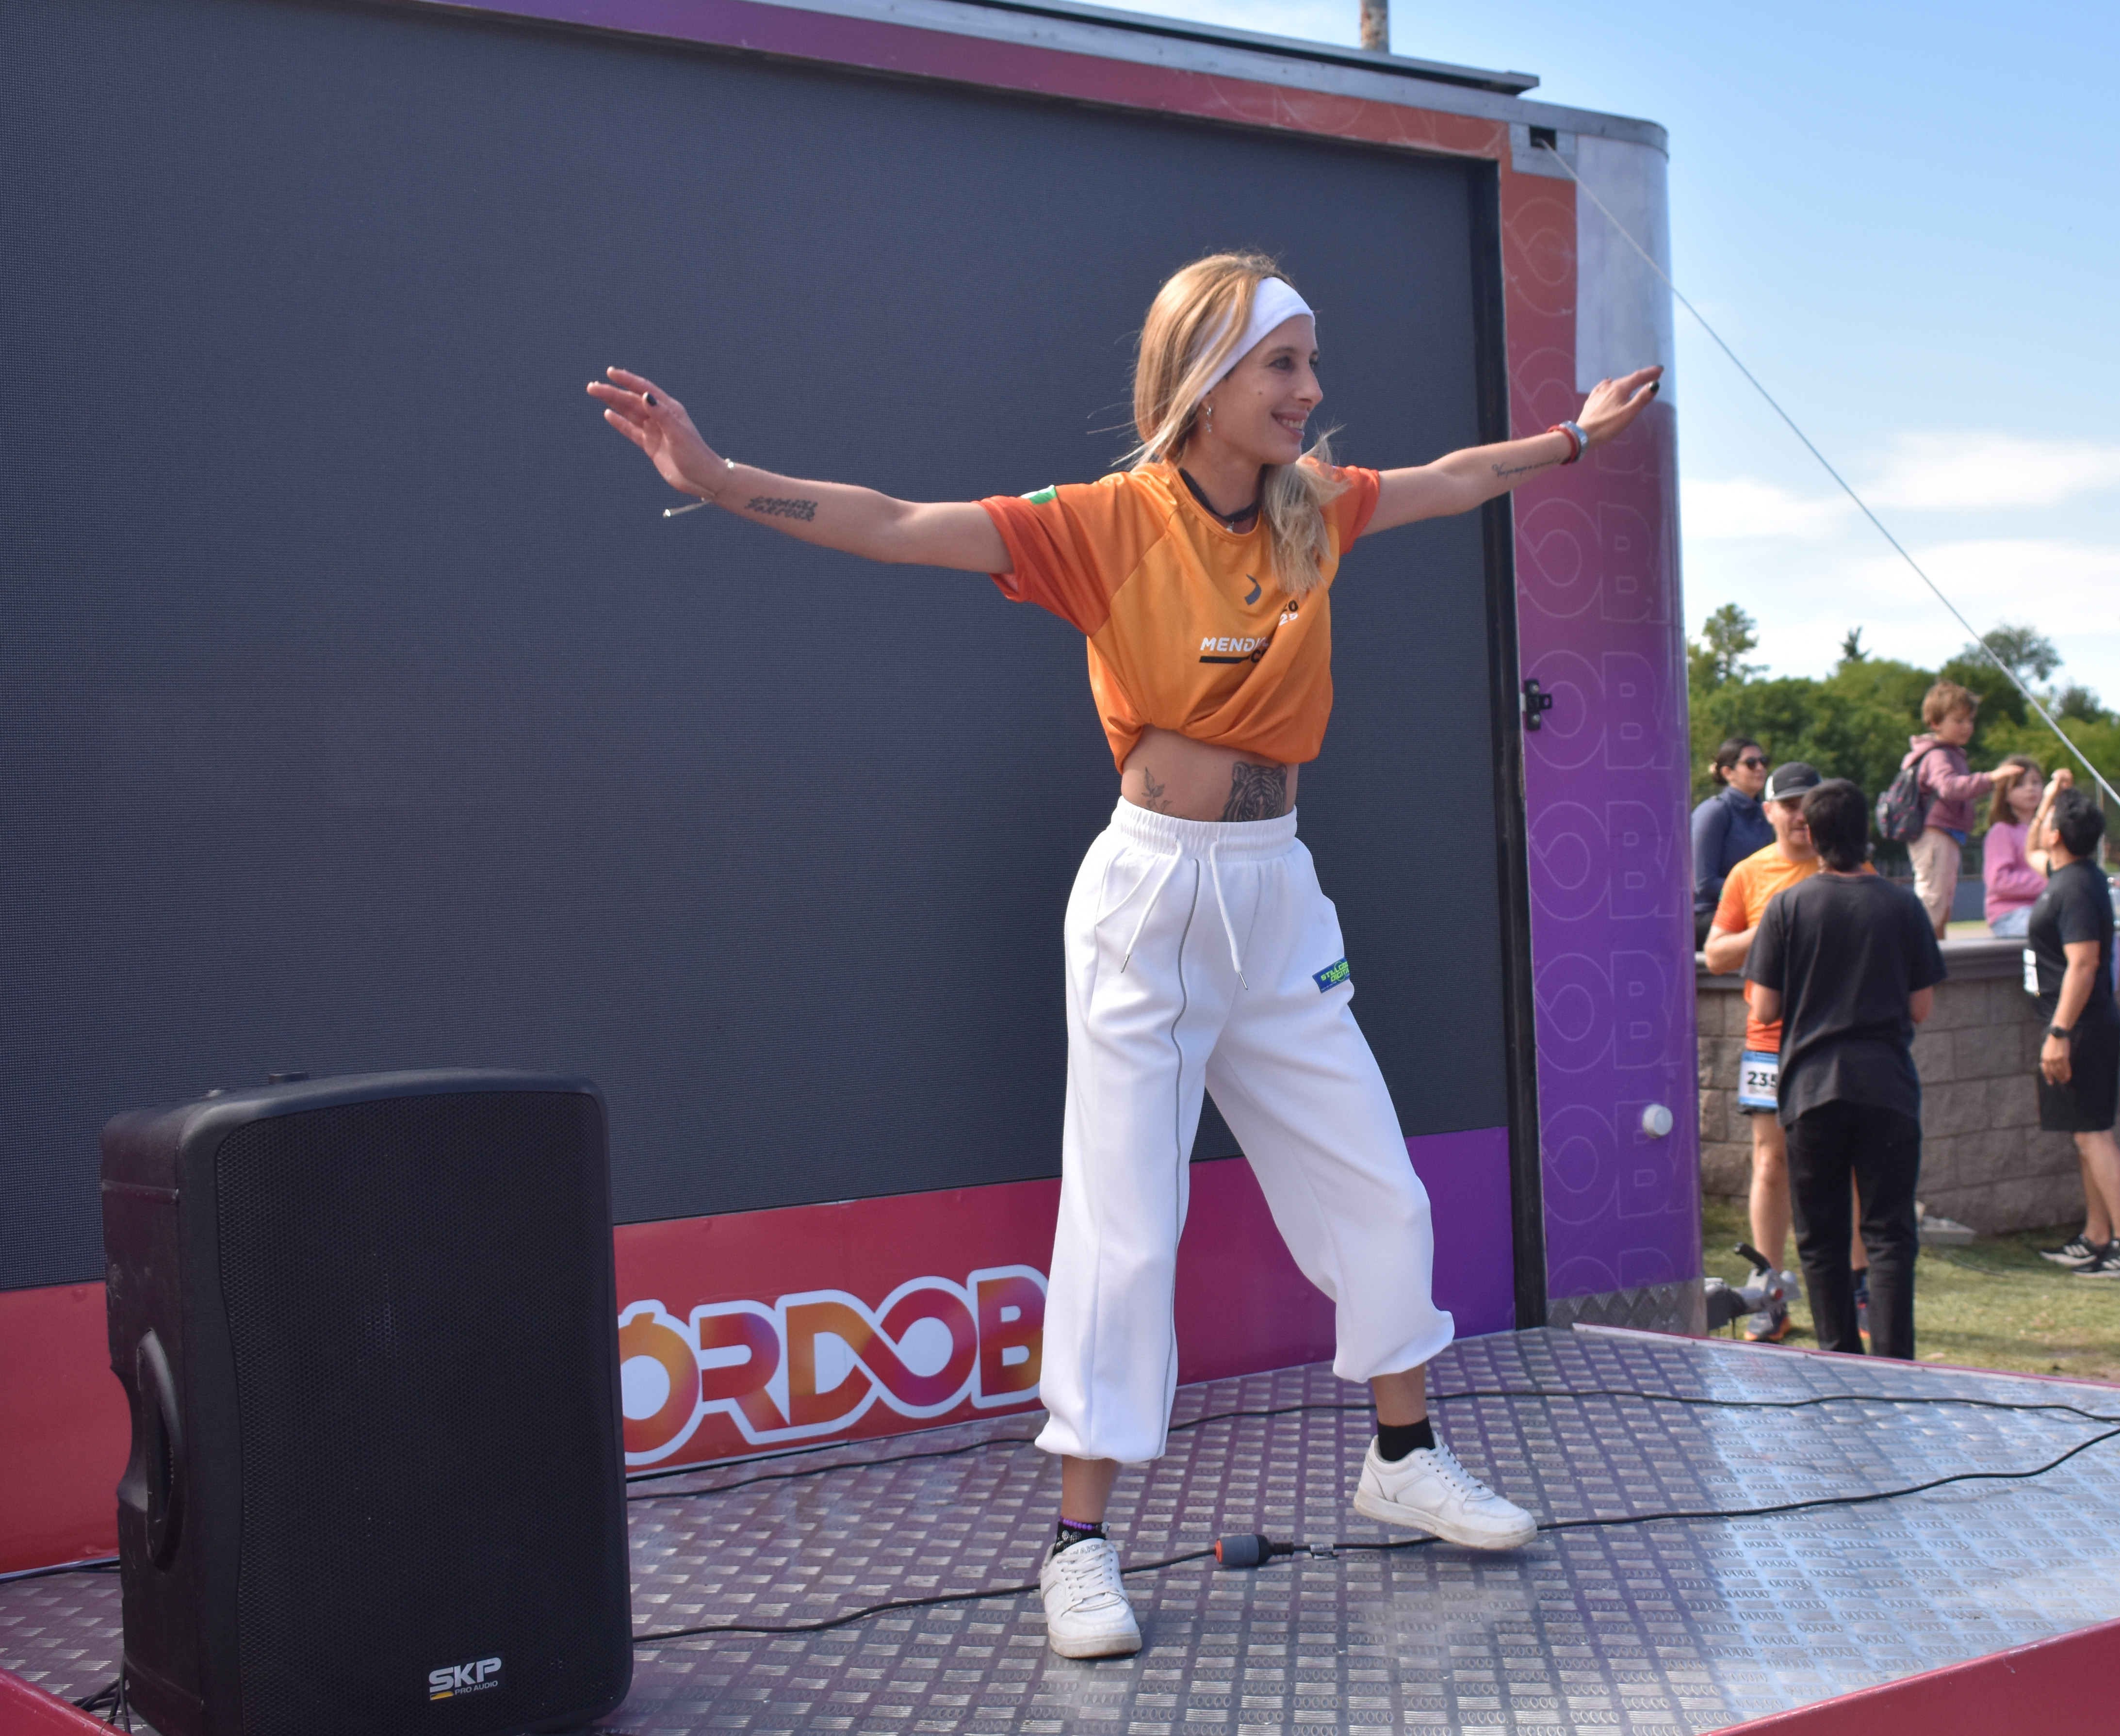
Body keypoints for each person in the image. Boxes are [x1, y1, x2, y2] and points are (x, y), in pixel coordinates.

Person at [587, 254, 1663, 1658]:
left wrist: (1574, 436)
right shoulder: (1103, 524)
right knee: (1125, 1223)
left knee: (1381, 1195)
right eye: (1282, 364)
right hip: (1148, 900)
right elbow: (898, 524)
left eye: (1310, 362)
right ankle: (1077, 1545)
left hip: (1278, 897)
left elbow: (1454, 478)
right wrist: (718, 476)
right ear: (1204, 378)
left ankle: (1402, 1458)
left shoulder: (1312, 510)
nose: (1311, 390)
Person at [1743, 779, 1945, 1359]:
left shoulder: (1788, 906)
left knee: (1821, 1238)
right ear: (1866, 832)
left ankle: (1838, 1358)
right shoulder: (1902, 905)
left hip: (1811, 1090)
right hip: (1887, 1087)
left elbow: (1764, 1008)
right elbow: (1921, 1007)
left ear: (1812, 833)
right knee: (1889, 1235)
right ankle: (1895, 1360)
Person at [1704, 762, 1868, 1342]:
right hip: (1768, 1042)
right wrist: (1775, 922)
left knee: (1848, 1163)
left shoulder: (1850, 868)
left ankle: (1858, 1290)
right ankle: (1769, 1291)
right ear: (1769, 811)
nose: (1801, 816)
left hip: (1835, 1038)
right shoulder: (1748, 873)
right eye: (1790, 805)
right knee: (1770, 1162)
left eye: (1809, 804)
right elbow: (1716, 954)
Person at [2025, 788, 2120, 1278]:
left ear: (2057, 835)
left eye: (2047, 824)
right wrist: (2049, 798)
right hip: (2073, 1024)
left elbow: (2084, 964)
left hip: (2078, 1027)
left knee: (2095, 1136)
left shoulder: (2077, 886)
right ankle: (2097, 1235)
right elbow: (2030, 848)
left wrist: (2059, 1031)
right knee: (2084, 1135)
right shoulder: (2066, 875)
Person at [1900, 680, 1997, 938]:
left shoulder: (1951, 753)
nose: (1968, 727)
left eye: (1970, 720)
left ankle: (1937, 953)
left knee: (1943, 904)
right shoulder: (1937, 755)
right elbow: (1949, 787)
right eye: (1959, 721)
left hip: (1947, 835)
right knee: (1932, 902)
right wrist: (1991, 779)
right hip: (1935, 835)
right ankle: (1920, 956)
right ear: (1936, 723)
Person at [1693, 738, 1773, 949]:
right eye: (1751, 763)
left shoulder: (1768, 814)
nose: (1760, 768)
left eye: (1764, 761)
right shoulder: (1714, 813)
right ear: (1728, 772)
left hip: (1754, 909)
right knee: (1777, 927)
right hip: (1710, 914)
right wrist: (1758, 892)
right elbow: (1704, 885)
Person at [1981, 755, 2048, 939]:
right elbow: (1999, 881)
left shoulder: (2049, 830)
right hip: (2010, 915)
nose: (2030, 788)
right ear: (2005, 794)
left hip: (2046, 908)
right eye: (2020, 784)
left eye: (2036, 782)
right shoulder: (2002, 832)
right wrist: (2050, 883)